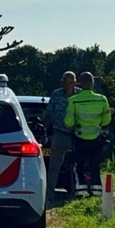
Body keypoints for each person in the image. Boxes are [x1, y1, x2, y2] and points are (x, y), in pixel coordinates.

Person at [64, 72, 112, 195]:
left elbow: (68, 123)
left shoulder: (73, 101)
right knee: (94, 164)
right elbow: (106, 121)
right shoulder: (102, 100)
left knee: (78, 164)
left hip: (79, 138)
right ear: (92, 83)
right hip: (96, 138)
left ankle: (81, 190)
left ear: (80, 83)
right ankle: (96, 190)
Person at [43, 71, 80, 204]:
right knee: (54, 166)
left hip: (77, 136)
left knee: (77, 166)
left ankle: (76, 195)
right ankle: (48, 195)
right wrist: (45, 131)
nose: (67, 85)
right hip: (59, 134)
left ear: (75, 83)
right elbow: (49, 114)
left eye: (70, 82)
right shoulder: (56, 94)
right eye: (64, 81)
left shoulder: (80, 95)